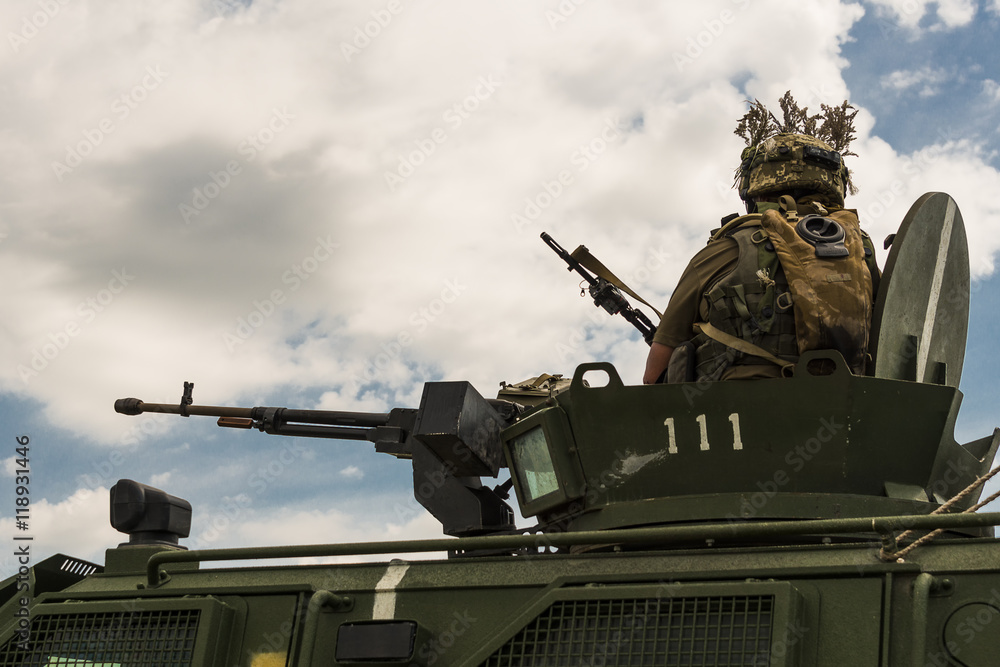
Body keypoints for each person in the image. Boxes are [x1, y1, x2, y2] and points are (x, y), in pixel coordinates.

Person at [643, 96, 880, 385]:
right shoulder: (861, 252)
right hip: (844, 416)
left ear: (756, 188)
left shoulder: (726, 248)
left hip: (730, 418)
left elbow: (653, 377)